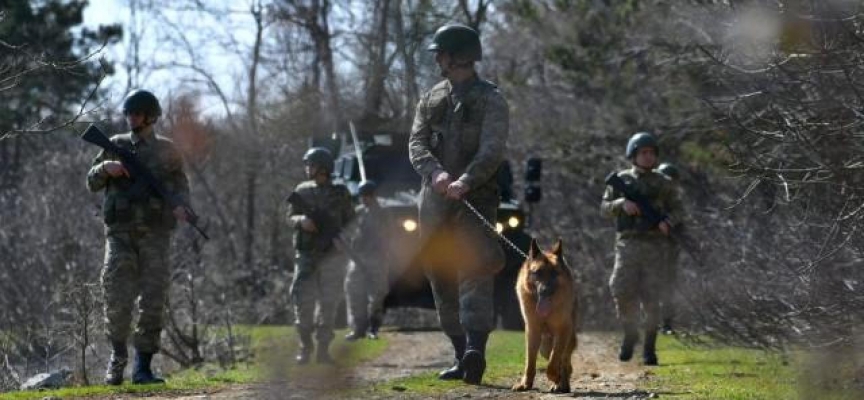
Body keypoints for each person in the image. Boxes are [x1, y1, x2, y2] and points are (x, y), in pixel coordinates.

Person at [408, 23, 509, 385]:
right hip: (434, 201)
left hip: (475, 198)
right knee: (439, 273)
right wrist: (435, 174)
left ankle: (475, 352)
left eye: (441, 53)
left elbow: (492, 149)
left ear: (456, 56)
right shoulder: (431, 97)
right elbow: (416, 143)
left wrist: (466, 180)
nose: (437, 58)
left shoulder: (491, 98)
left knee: (475, 269)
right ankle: (458, 353)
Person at [86, 89, 190, 385]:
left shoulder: (168, 151)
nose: (131, 118)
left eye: (137, 113)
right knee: (117, 297)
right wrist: (105, 168)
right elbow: (91, 182)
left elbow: (181, 188)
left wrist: (183, 207)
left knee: (153, 301)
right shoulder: (115, 145)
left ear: (151, 116)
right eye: (129, 113)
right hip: (120, 236)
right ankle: (117, 361)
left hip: (156, 236)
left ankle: (143, 367)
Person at [600, 132, 683, 366]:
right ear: (633, 155)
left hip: (656, 246)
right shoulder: (622, 180)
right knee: (621, 289)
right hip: (628, 243)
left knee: (651, 297)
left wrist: (668, 222)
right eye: (643, 153)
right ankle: (629, 331)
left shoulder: (664, 183)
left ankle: (649, 348)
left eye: (651, 153)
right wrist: (621, 204)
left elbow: (679, 209)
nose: (648, 157)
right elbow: (604, 207)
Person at [286, 147, 355, 365]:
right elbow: (289, 217)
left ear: (322, 167)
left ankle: (323, 350)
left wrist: (343, 239)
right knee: (302, 301)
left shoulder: (340, 192)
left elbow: (351, 222)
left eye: (311, 164)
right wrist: (301, 221)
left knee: (329, 303)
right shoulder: (302, 190)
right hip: (306, 255)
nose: (307, 168)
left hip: (332, 257)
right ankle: (305, 346)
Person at [343, 180, 392, 341]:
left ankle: (374, 328)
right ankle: (358, 328)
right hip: (358, 258)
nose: (365, 199)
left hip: (377, 258)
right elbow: (349, 232)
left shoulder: (383, 213)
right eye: (362, 196)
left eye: (367, 196)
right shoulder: (357, 212)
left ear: (373, 196)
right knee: (354, 292)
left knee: (377, 295)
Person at [656, 162, 682, 335]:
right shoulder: (653, 200)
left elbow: (681, 221)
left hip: (669, 250)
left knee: (668, 287)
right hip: (649, 249)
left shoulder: (676, 203)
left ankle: (666, 324)